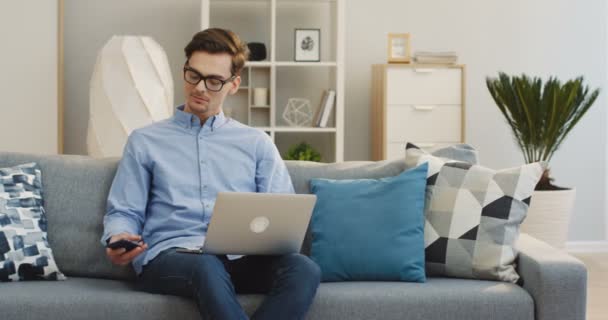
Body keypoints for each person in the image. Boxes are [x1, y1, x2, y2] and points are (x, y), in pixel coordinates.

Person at [101, 28, 321, 320]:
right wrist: (118, 238)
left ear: (234, 85)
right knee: (206, 265)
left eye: (214, 81)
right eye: (194, 75)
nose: (200, 88)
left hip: (240, 260)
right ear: (185, 71)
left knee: (304, 268)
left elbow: (282, 216)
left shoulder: (257, 143)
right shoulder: (145, 141)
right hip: (171, 259)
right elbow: (124, 209)